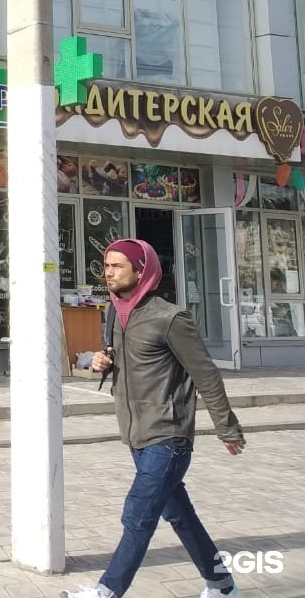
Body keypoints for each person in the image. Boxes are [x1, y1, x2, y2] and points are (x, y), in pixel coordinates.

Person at [60, 238, 245, 598]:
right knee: (179, 515)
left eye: (117, 266)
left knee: (138, 514)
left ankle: (107, 591)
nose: (108, 273)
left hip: (168, 435)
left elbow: (206, 375)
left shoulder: (170, 318)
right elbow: (125, 359)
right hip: (136, 433)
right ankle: (222, 585)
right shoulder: (115, 312)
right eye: (106, 266)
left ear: (141, 271)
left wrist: (227, 427)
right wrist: (101, 360)